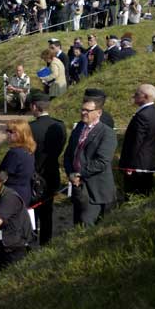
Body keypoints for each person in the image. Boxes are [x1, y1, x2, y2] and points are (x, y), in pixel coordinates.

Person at [63, 95, 117, 227]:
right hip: (78, 186)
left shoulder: (106, 133)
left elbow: (102, 161)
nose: (83, 113)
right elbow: (69, 153)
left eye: (87, 110)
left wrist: (80, 174)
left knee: (87, 225)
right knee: (77, 224)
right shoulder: (79, 128)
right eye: (82, 109)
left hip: (95, 189)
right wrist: (70, 173)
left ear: (98, 113)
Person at [28, 93, 66, 245]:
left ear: (34, 107)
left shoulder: (30, 128)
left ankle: (30, 241)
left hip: (33, 175)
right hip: (51, 173)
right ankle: (46, 243)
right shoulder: (60, 125)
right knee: (47, 212)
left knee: (32, 211)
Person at [119, 84, 155, 196]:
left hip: (136, 165)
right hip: (148, 162)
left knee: (133, 194)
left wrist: (129, 165)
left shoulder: (142, 116)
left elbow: (135, 142)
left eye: (137, 94)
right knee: (144, 194)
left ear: (146, 97)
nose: (134, 96)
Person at [0, 120, 36, 205]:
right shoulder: (28, 150)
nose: (7, 133)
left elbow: (3, 177)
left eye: (11, 131)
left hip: (13, 195)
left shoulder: (14, 153)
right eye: (7, 130)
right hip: (25, 192)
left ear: (20, 134)